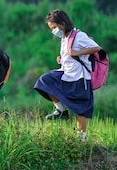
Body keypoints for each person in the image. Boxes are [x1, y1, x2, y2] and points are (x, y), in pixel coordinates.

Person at [34, 9, 101, 142]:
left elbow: (96, 48)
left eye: (54, 27)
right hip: (66, 74)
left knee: (81, 109)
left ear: (62, 23)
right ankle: (60, 110)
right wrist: (62, 59)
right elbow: (69, 54)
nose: (53, 31)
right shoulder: (65, 37)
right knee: (45, 81)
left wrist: (76, 52)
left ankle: (81, 139)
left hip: (80, 78)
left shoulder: (79, 35)